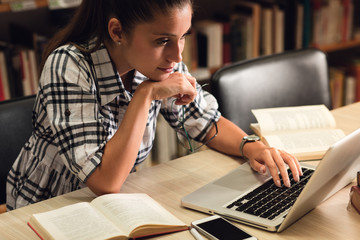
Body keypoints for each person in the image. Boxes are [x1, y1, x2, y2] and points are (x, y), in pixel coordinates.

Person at [6, 0, 302, 211]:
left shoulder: (162, 60)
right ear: (117, 32)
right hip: (47, 208)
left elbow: (206, 122)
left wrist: (255, 148)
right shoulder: (68, 65)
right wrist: (145, 95)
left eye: (183, 36)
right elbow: (104, 180)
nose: (176, 55)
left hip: (113, 203)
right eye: (163, 40)